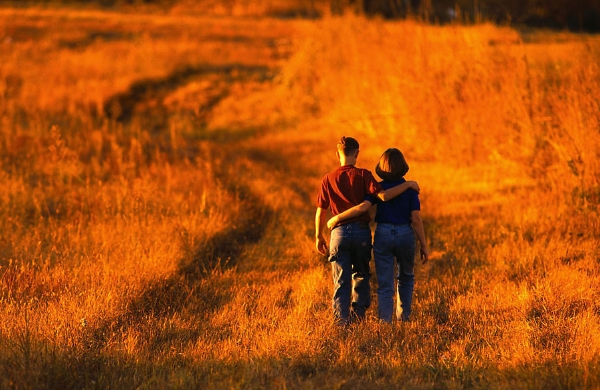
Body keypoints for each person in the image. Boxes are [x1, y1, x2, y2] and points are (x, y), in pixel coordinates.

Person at [315, 137, 419, 327]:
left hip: (338, 234)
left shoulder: (327, 179)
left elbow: (321, 210)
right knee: (361, 274)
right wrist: (409, 184)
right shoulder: (364, 175)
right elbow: (381, 197)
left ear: (336, 154)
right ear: (357, 154)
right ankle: (359, 315)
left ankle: (341, 321)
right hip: (362, 233)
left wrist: (319, 235)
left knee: (341, 279)